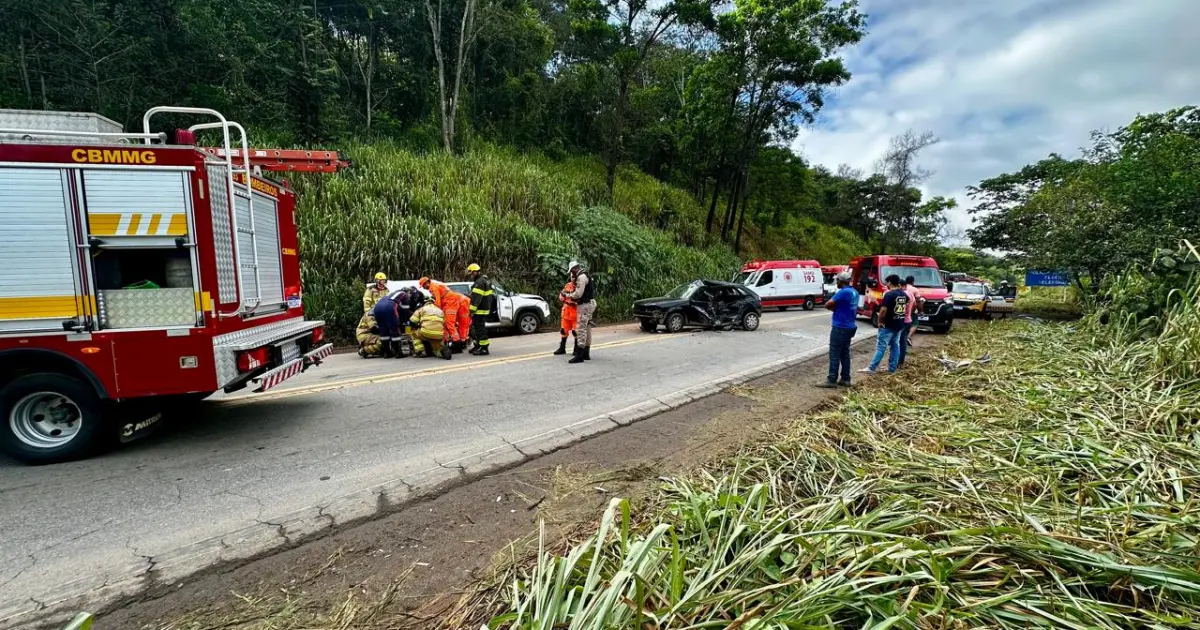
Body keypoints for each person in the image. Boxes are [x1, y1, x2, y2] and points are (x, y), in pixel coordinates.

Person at [861, 274, 910, 374]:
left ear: (890, 283)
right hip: (899, 323)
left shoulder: (889, 294)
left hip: (888, 324)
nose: (886, 284)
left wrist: (879, 322)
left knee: (881, 347)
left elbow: (883, 310)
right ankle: (892, 368)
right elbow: (908, 303)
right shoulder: (903, 294)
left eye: (887, 282)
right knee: (895, 346)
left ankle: (871, 368)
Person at [818, 272, 858, 388]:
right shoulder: (854, 292)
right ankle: (846, 378)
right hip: (850, 326)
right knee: (845, 353)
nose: (837, 282)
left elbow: (828, 304)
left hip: (840, 326)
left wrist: (834, 309)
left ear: (842, 281)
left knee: (834, 354)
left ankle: (831, 379)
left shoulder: (843, 292)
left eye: (838, 280)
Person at [420, 277, 471, 352]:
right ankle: (460, 342)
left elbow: (438, 302)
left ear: (427, 283)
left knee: (449, 323)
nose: (424, 288)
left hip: (450, 302)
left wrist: (434, 311)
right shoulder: (435, 286)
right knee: (454, 323)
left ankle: (457, 343)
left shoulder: (434, 287)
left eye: (423, 286)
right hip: (450, 302)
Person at [563, 261, 595, 364]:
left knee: (581, 329)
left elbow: (578, 294)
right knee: (587, 327)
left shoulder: (581, 277)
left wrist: (567, 295)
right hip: (590, 303)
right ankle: (586, 352)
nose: (572, 274)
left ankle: (579, 355)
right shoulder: (586, 275)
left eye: (572, 271)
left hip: (584, 305)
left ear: (575, 268)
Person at [466, 263, 495, 356]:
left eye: (471, 273)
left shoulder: (479, 283)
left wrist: (471, 310)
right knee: (476, 328)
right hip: (482, 309)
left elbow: (476, 298)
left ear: (474, 272)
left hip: (479, 310)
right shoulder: (484, 281)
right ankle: (477, 345)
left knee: (480, 329)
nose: (470, 275)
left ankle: (484, 348)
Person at [371, 288, 409, 358]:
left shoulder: (389, 294)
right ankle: (398, 352)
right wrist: (403, 321)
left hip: (377, 308)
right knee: (394, 329)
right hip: (389, 307)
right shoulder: (404, 294)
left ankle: (387, 352)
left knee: (383, 330)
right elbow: (405, 309)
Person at [897, 275, 922, 367]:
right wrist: (910, 313)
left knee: (896, 341)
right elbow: (916, 304)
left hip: (900, 320)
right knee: (902, 341)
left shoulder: (900, 293)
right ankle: (900, 361)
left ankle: (895, 362)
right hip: (908, 319)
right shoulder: (913, 292)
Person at [554, 278, 578, 355]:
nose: (572, 277)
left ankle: (576, 349)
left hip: (575, 311)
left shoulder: (580, 286)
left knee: (576, 331)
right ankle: (562, 348)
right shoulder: (568, 285)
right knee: (563, 330)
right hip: (566, 311)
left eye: (574, 276)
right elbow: (561, 296)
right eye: (571, 276)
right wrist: (561, 296)